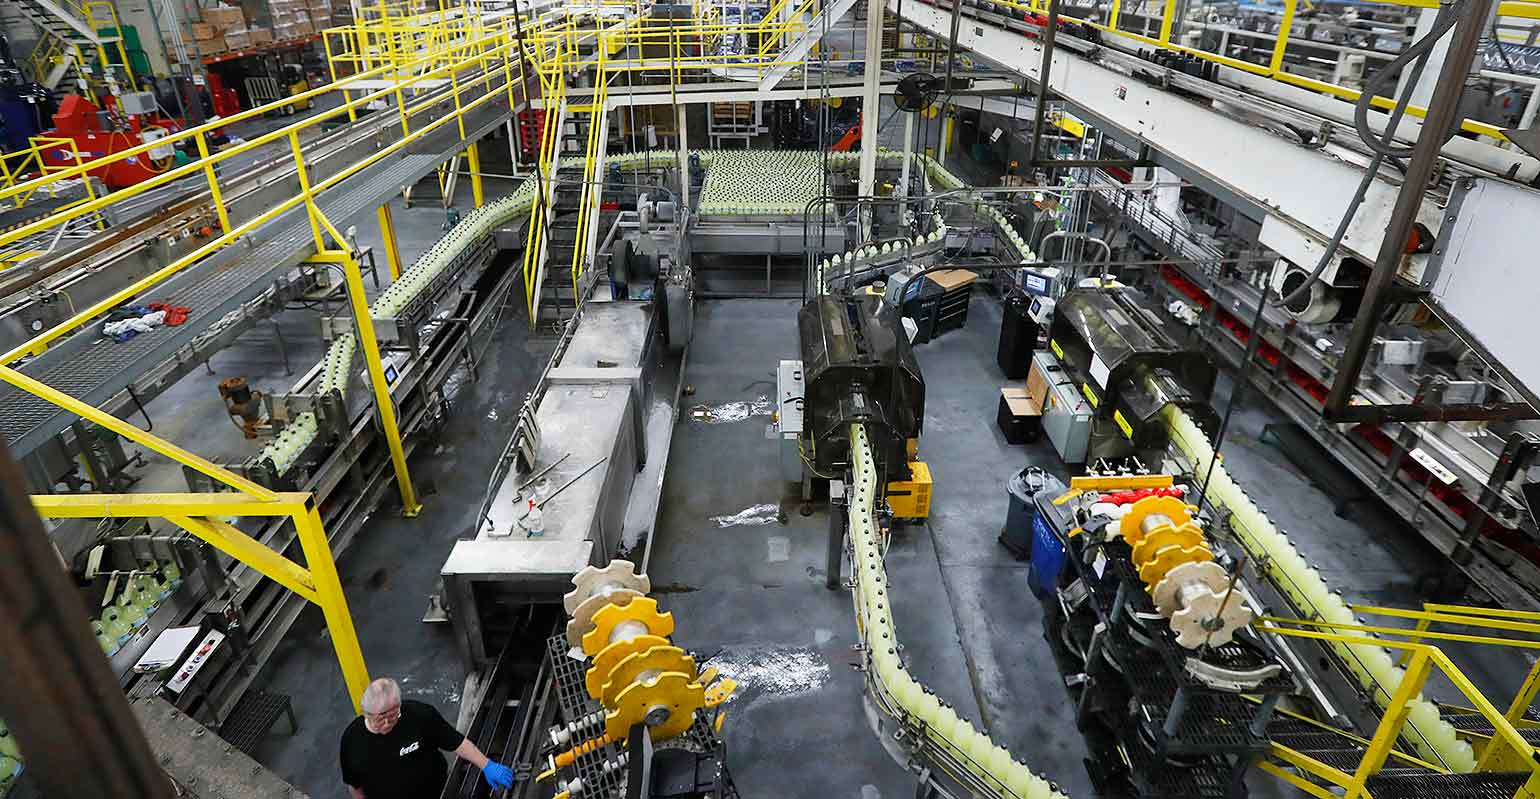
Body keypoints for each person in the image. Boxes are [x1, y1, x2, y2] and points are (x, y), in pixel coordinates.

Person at [340, 677, 515, 799]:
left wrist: (487, 765)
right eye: (379, 720)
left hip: (438, 792)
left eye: (393, 716)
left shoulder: (420, 716)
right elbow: (354, 784)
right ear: (366, 713)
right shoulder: (352, 740)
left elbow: (456, 742)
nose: (386, 724)